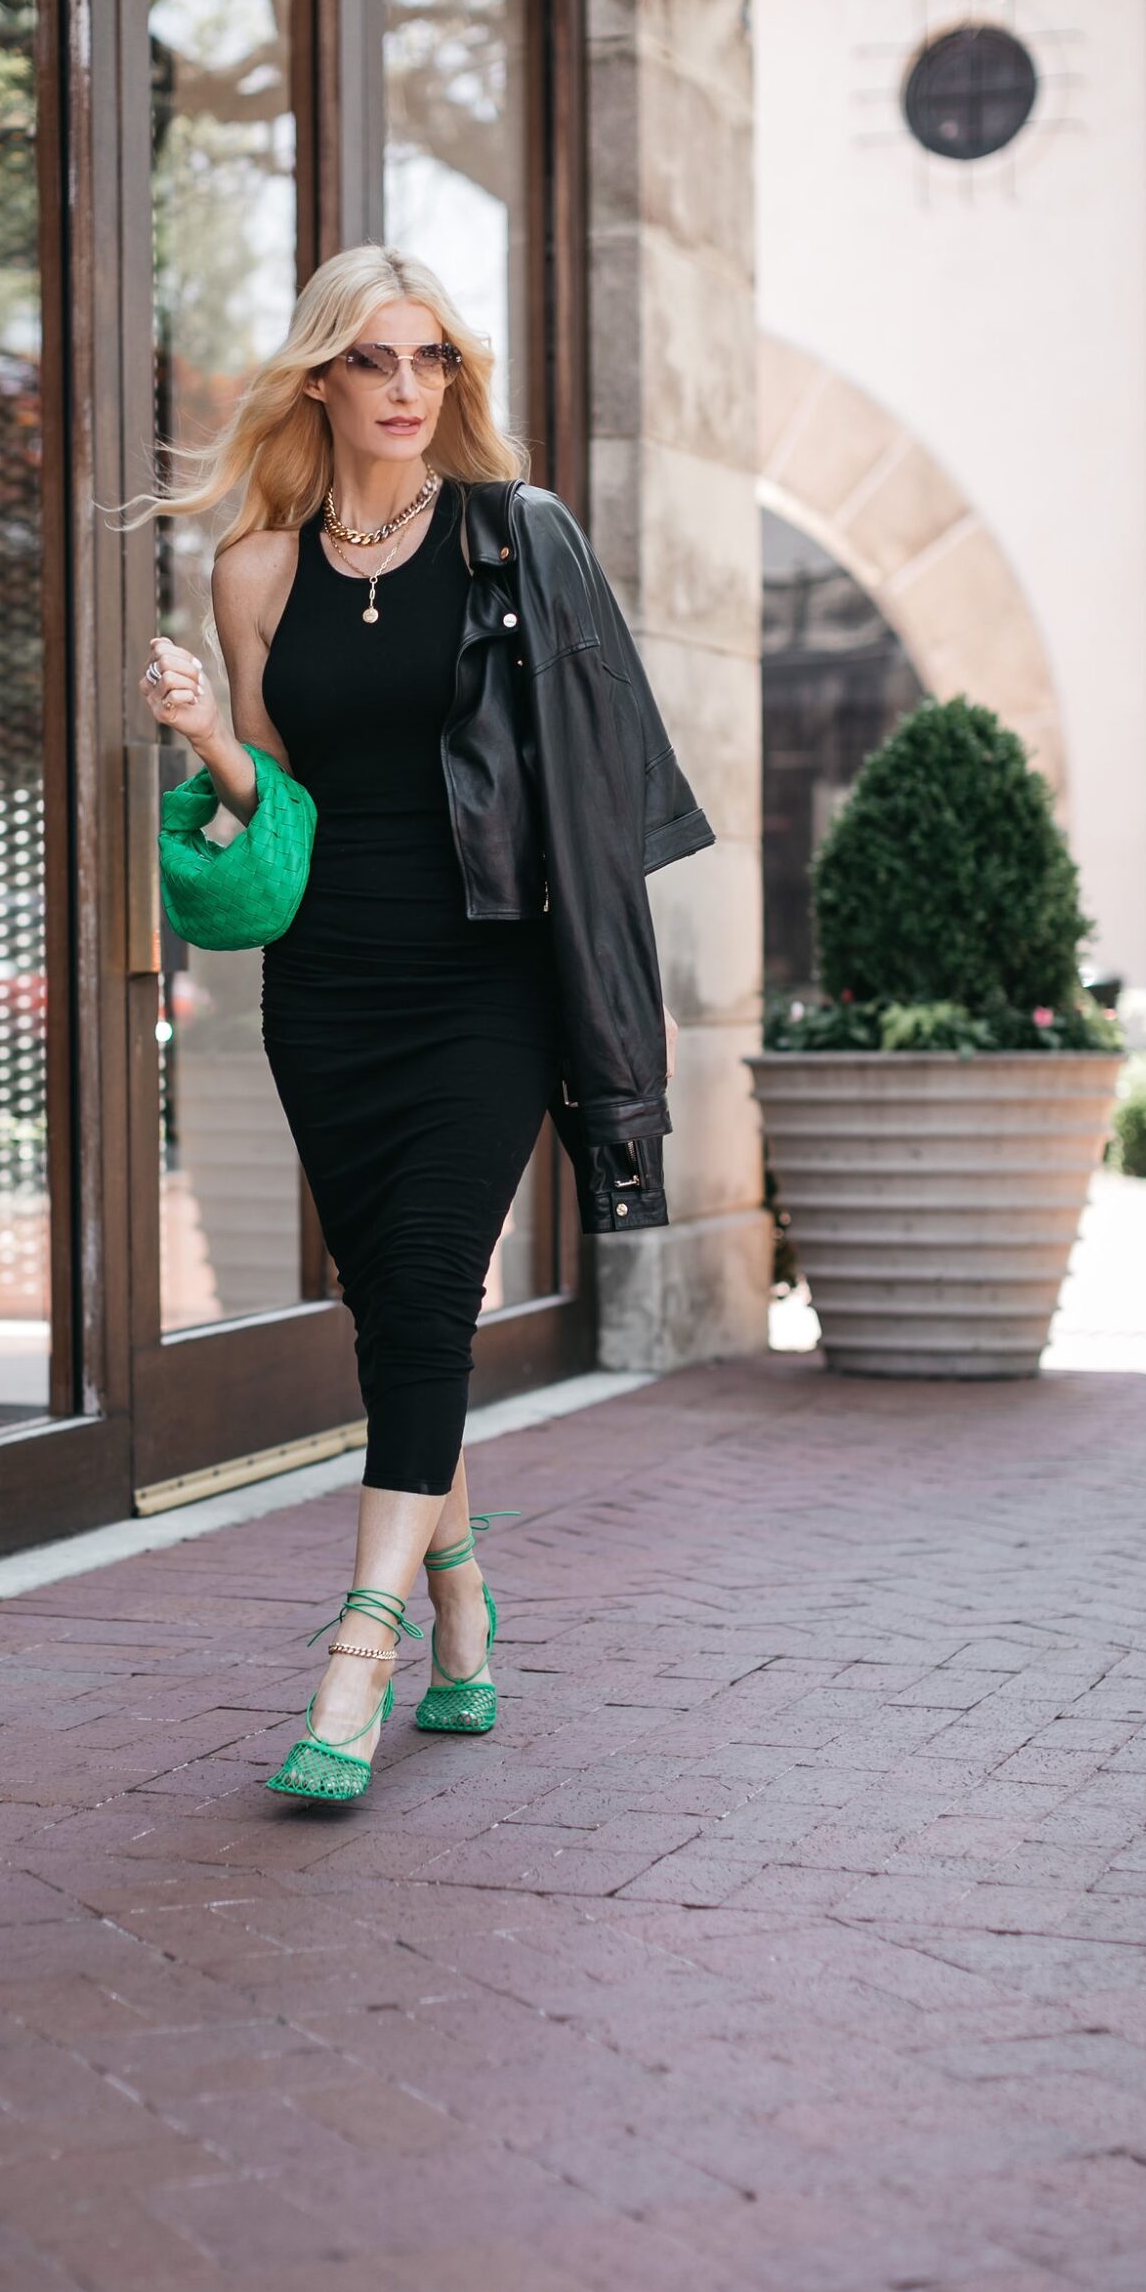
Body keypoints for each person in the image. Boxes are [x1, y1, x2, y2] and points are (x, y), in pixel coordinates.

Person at [140, 245, 712, 1803]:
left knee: (433, 1295)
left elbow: (601, 785)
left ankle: (360, 1651)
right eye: (377, 361)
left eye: (433, 361)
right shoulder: (254, 570)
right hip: (328, 984)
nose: (408, 390)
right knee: (393, 1312)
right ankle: (464, 1613)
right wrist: (206, 736)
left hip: (487, 982)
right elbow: (281, 807)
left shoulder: (514, 542)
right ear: (320, 377)